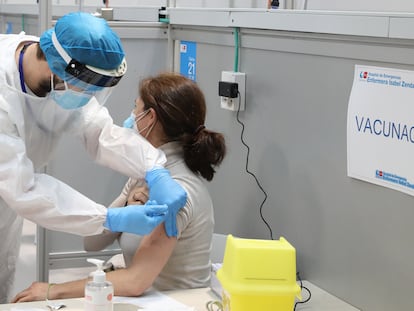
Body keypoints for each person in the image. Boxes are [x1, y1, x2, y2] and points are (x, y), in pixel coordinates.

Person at [0, 12, 187, 303]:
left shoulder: (61, 71)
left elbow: (99, 132)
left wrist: (154, 167)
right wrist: (108, 218)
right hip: (12, 188)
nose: (87, 96)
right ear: (58, 69)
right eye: (86, 88)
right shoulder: (4, 90)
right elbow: (23, 188)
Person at [12, 72, 227, 302]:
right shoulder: (147, 174)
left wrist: (51, 290)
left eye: (136, 108)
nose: (132, 116)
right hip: (146, 300)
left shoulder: (175, 192)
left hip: (174, 304)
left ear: (150, 117)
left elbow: (136, 281)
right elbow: (92, 243)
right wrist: (124, 207)